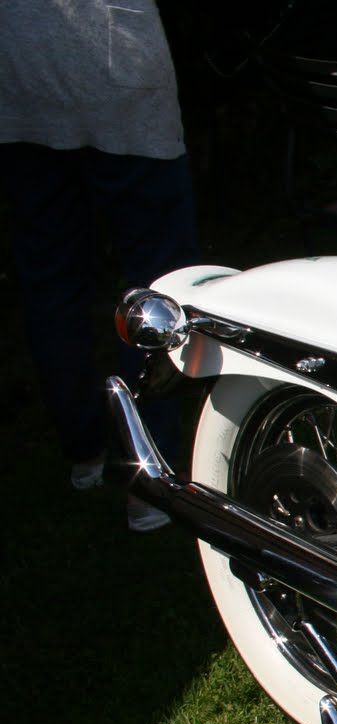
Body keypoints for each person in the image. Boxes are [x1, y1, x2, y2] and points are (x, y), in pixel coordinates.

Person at [0, 0, 201, 532]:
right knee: (158, 281)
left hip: (18, 72)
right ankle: (148, 476)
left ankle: (86, 451)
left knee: (50, 276)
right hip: (117, 70)